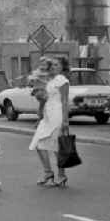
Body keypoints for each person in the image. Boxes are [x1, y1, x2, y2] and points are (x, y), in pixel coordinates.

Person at [28, 57, 70, 188]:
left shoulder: (63, 80)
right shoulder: (50, 80)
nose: (54, 66)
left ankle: (61, 175)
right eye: (53, 64)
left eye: (57, 64)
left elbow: (64, 101)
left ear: (63, 67)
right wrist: (40, 116)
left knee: (57, 146)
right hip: (47, 115)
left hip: (57, 114)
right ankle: (48, 173)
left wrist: (65, 121)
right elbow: (44, 98)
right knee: (39, 143)